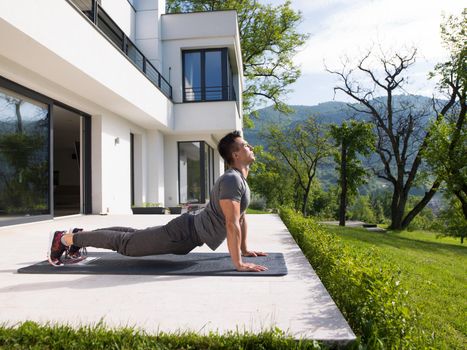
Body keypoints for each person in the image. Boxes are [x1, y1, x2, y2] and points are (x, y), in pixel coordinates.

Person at [48, 131, 268, 272]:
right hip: (183, 234)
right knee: (127, 244)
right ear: (236, 155)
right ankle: (67, 239)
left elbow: (240, 216)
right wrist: (238, 263)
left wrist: (245, 249)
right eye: (246, 145)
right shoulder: (231, 179)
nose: (252, 147)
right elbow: (231, 223)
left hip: (186, 233)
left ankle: (79, 234)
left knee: (132, 235)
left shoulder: (239, 180)